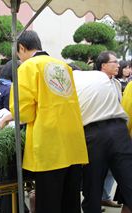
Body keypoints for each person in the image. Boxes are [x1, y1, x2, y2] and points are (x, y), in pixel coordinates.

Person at [9, 30, 88, 213]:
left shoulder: (28, 67)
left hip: (49, 147)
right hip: (73, 144)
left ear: (21, 48)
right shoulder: (64, 66)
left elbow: (22, 113)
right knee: (70, 204)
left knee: (49, 205)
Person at [73, 70, 132, 213]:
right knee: (129, 181)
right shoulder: (99, 76)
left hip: (93, 134)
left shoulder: (70, 82)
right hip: (119, 130)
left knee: (92, 185)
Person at [95, 51, 122, 208]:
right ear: (103, 65)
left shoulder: (117, 83)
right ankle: (92, 200)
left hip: (115, 130)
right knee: (98, 167)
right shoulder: (94, 82)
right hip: (99, 130)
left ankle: (104, 196)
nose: (118, 65)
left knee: (112, 167)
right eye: (114, 62)